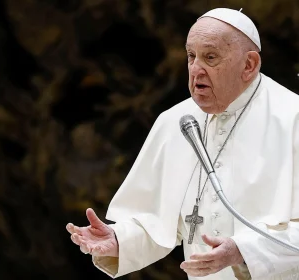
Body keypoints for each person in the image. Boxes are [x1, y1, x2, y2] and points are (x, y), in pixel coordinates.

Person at [66, 7, 299, 280]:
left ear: (249, 65)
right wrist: (119, 239)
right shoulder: (177, 120)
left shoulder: (292, 118)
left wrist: (244, 251)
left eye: (210, 57)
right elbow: (159, 222)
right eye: (191, 56)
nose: (196, 69)